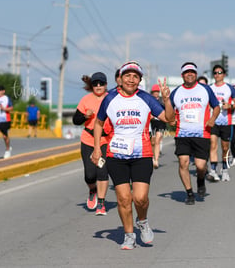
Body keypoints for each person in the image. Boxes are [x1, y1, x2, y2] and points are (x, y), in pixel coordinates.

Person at [91, 61, 174, 250]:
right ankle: (129, 236)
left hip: (142, 155)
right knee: (123, 199)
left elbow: (170, 119)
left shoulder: (146, 99)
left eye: (135, 76)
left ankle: (142, 221)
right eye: (127, 75)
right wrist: (97, 148)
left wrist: (166, 99)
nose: (131, 79)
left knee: (140, 198)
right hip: (116, 155)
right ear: (120, 78)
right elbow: (98, 123)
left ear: (140, 80)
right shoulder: (110, 99)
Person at [170, 62, 220, 204]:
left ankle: (200, 181)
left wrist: (212, 118)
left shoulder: (205, 90)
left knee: (200, 166)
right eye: (186, 72)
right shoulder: (176, 92)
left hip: (202, 133)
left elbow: (216, 106)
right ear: (182, 75)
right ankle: (189, 193)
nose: (189, 74)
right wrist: (170, 118)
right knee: (183, 163)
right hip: (183, 134)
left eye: (192, 72)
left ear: (196, 75)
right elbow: (168, 111)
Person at [73, 72, 111, 216]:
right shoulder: (86, 100)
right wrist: (84, 116)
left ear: (106, 85)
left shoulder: (111, 98)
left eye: (101, 83)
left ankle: (101, 203)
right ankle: (92, 189)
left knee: (102, 171)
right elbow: (75, 120)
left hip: (105, 140)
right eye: (95, 84)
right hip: (88, 139)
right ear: (92, 85)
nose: (98, 86)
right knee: (89, 175)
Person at [207, 65, 235, 181]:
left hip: (226, 122)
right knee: (213, 144)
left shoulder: (229, 88)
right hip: (213, 121)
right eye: (215, 73)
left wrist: (230, 106)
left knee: (225, 148)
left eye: (220, 72)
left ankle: (225, 170)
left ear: (224, 74)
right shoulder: (209, 88)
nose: (217, 75)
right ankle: (213, 170)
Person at [149, 84, 167, 169]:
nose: (156, 93)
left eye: (157, 92)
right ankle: (152, 158)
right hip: (152, 123)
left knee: (157, 140)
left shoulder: (161, 101)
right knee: (152, 142)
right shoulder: (149, 100)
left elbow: (167, 109)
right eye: (154, 92)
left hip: (161, 123)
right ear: (152, 92)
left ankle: (156, 160)